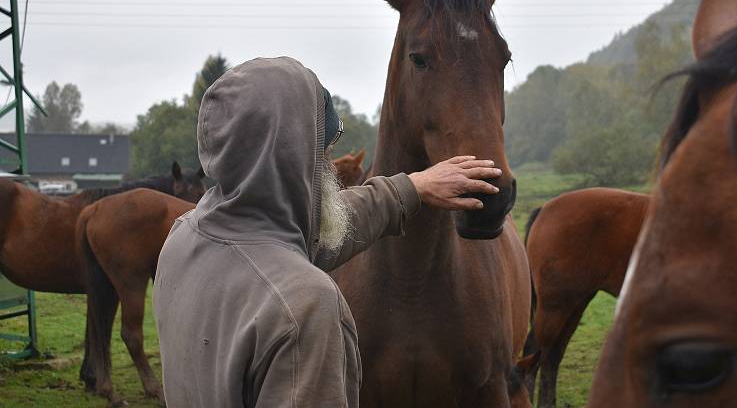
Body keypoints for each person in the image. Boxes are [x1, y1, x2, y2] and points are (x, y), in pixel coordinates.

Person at [153, 57, 503, 407]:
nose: (329, 151)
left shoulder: (183, 238)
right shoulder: (305, 306)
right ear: (294, 150)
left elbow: (310, 235)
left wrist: (412, 187)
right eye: (323, 138)